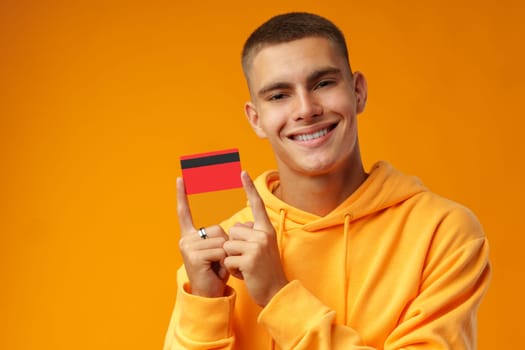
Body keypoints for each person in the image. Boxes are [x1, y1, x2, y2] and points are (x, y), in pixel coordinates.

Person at [163, 12, 491, 350]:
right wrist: (204, 302)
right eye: (279, 95)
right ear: (256, 119)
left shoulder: (444, 232)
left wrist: (278, 295)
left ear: (358, 91)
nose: (306, 109)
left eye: (323, 83)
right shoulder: (223, 248)